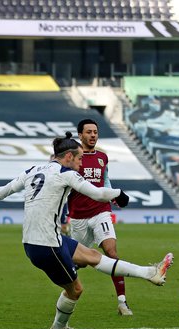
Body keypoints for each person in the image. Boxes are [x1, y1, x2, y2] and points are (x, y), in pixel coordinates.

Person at [0, 132, 173, 329]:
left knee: (92, 256)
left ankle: (150, 273)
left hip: (37, 240)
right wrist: (119, 194)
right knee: (75, 290)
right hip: (47, 245)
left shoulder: (33, 169)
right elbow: (96, 193)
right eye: (79, 158)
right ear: (68, 156)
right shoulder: (66, 173)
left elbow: (3, 191)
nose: (81, 164)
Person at [67, 118, 134, 316]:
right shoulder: (72, 158)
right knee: (75, 263)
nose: (93, 135)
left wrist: (113, 196)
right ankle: (68, 295)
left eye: (95, 132)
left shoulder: (102, 157)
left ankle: (122, 302)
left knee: (112, 253)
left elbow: (105, 181)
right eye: (88, 132)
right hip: (78, 217)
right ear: (80, 135)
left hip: (101, 212)